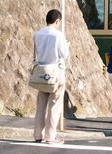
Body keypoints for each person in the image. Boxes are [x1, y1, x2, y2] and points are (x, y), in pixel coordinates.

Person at [32, 8, 69, 145]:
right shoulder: (58, 35)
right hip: (56, 72)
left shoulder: (37, 34)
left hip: (42, 72)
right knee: (54, 105)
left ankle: (38, 134)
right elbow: (64, 55)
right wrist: (67, 45)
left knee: (41, 104)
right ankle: (50, 136)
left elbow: (35, 54)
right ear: (57, 20)